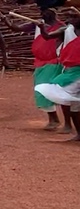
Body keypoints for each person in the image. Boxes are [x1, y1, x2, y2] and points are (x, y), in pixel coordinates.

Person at [10, 8, 69, 131]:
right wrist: (7, 22)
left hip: (53, 62)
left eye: (47, 12)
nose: (44, 14)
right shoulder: (36, 23)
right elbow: (17, 28)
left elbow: (48, 36)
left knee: (47, 90)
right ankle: (54, 119)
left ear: (54, 14)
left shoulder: (62, 27)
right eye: (43, 12)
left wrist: (42, 28)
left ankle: (60, 122)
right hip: (40, 62)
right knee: (42, 91)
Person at [35, 10, 80, 139]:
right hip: (70, 70)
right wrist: (42, 28)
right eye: (69, 16)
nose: (71, 19)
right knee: (66, 98)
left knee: (71, 100)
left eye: (74, 17)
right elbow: (48, 36)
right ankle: (74, 130)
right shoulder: (65, 30)